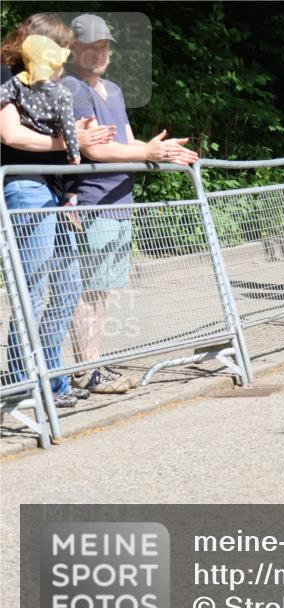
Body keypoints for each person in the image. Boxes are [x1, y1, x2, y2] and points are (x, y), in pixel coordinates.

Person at [61, 14, 199, 394]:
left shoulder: (114, 90)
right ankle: (86, 368)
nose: (99, 53)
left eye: (104, 46)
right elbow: (93, 146)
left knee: (100, 288)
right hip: (92, 199)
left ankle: (93, 363)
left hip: (118, 199)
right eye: (91, 46)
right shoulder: (71, 88)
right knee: (87, 288)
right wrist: (149, 151)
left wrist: (161, 152)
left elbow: (129, 141)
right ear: (73, 48)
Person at [1, 12, 115, 409]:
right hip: (25, 187)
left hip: (57, 189)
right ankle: (24, 379)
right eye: (61, 48)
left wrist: (78, 134)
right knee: (30, 286)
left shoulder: (54, 83)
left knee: (67, 286)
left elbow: (60, 129)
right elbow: (11, 134)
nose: (66, 58)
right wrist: (69, 143)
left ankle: (51, 376)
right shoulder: (6, 76)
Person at [0, 35, 79, 165]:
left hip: (23, 154)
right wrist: (74, 154)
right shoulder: (63, 93)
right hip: (47, 155)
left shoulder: (18, 82)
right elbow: (68, 126)